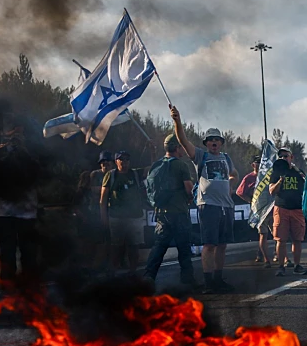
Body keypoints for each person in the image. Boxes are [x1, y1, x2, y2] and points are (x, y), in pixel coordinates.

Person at [171, 106, 239, 293]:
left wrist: (230, 183)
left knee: (222, 244)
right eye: (210, 140)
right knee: (209, 244)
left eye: (216, 139)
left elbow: (234, 174)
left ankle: (218, 279)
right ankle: (209, 283)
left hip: (226, 206)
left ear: (221, 142)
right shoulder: (201, 155)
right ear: (206, 143)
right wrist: (177, 121)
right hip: (209, 205)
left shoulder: (226, 158)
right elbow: (183, 141)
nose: (214, 142)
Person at [143, 134, 199, 287]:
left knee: (159, 247)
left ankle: (148, 276)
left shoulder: (156, 165)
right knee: (184, 248)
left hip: (161, 213)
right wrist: (191, 197)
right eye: (181, 146)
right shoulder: (181, 165)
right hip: (179, 212)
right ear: (176, 147)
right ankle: (188, 281)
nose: (183, 149)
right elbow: (189, 189)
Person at [0, 116, 39, 282]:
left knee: (28, 251)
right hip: (7, 212)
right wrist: (1, 148)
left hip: (27, 212)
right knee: (7, 251)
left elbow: (37, 171)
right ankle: (8, 283)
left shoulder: (31, 152)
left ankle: (28, 283)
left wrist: (23, 149)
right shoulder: (2, 155)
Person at [100, 150, 146, 274]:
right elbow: (103, 199)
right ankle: (113, 274)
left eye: (127, 160)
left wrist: (152, 152)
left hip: (135, 216)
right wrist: (104, 217)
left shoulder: (135, 174)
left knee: (134, 247)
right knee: (116, 247)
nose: (124, 162)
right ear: (116, 161)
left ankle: (133, 273)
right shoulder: (111, 175)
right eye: (121, 160)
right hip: (117, 217)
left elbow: (151, 168)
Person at [269, 147, 307, 276]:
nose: (283, 158)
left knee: (297, 239)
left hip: (297, 209)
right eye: (281, 157)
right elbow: (271, 191)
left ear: (291, 157)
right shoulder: (276, 172)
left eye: (286, 156)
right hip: (282, 208)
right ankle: (281, 266)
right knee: (281, 239)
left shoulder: (298, 172)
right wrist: (280, 180)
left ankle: (297, 265)